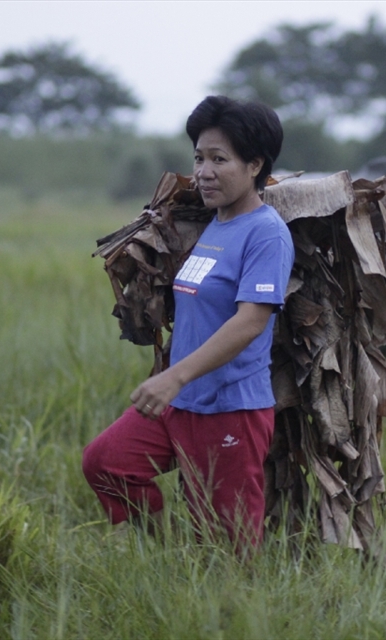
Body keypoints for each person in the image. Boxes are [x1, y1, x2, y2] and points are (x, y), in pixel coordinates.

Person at [82, 95, 293, 551]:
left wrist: (172, 378)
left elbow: (251, 321)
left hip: (231, 407)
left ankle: (225, 602)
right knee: (108, 463)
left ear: (254, 165)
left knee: (228, 551)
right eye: (199, 158)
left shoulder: (266, 233)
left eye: (220, 159)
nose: (204, 171)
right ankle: (173, 554)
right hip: (183, 404)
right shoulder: (214, 226)